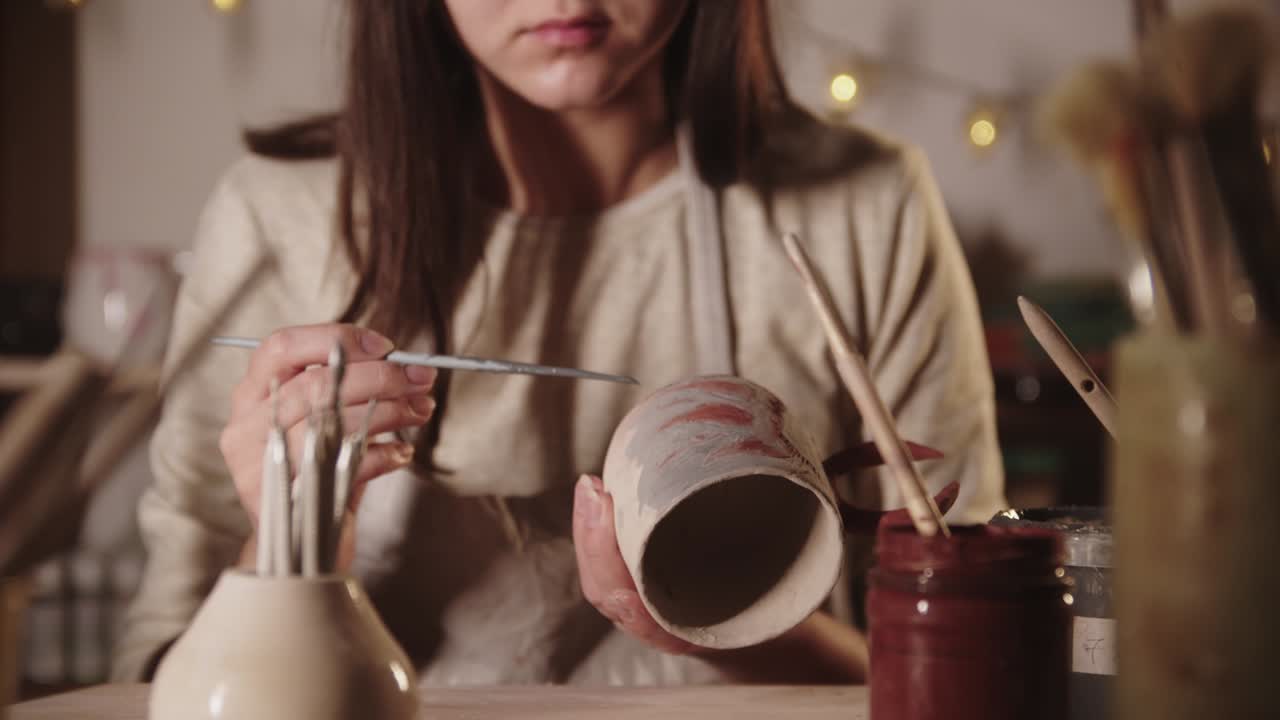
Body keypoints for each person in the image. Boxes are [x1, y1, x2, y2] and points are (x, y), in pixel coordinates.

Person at [112, 0, 1006, 685]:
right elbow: (154, 679)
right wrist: (292, 551)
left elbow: (978, 675)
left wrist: (724, 622)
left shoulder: (862, 207)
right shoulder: (281, 216)